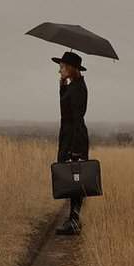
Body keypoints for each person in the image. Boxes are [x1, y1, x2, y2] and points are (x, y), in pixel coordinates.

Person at [53, 51, 89, 235]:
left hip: (75, 138)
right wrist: (62, 87)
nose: (59, 70)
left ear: (71, 68)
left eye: (62, 67)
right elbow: (66, 110)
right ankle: (73, 219)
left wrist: (74, 150)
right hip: (70, 136)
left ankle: (74, 221)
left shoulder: (78, 88)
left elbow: (75, 119)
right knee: (74, 178)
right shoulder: (74, 85)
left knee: (76, 178)